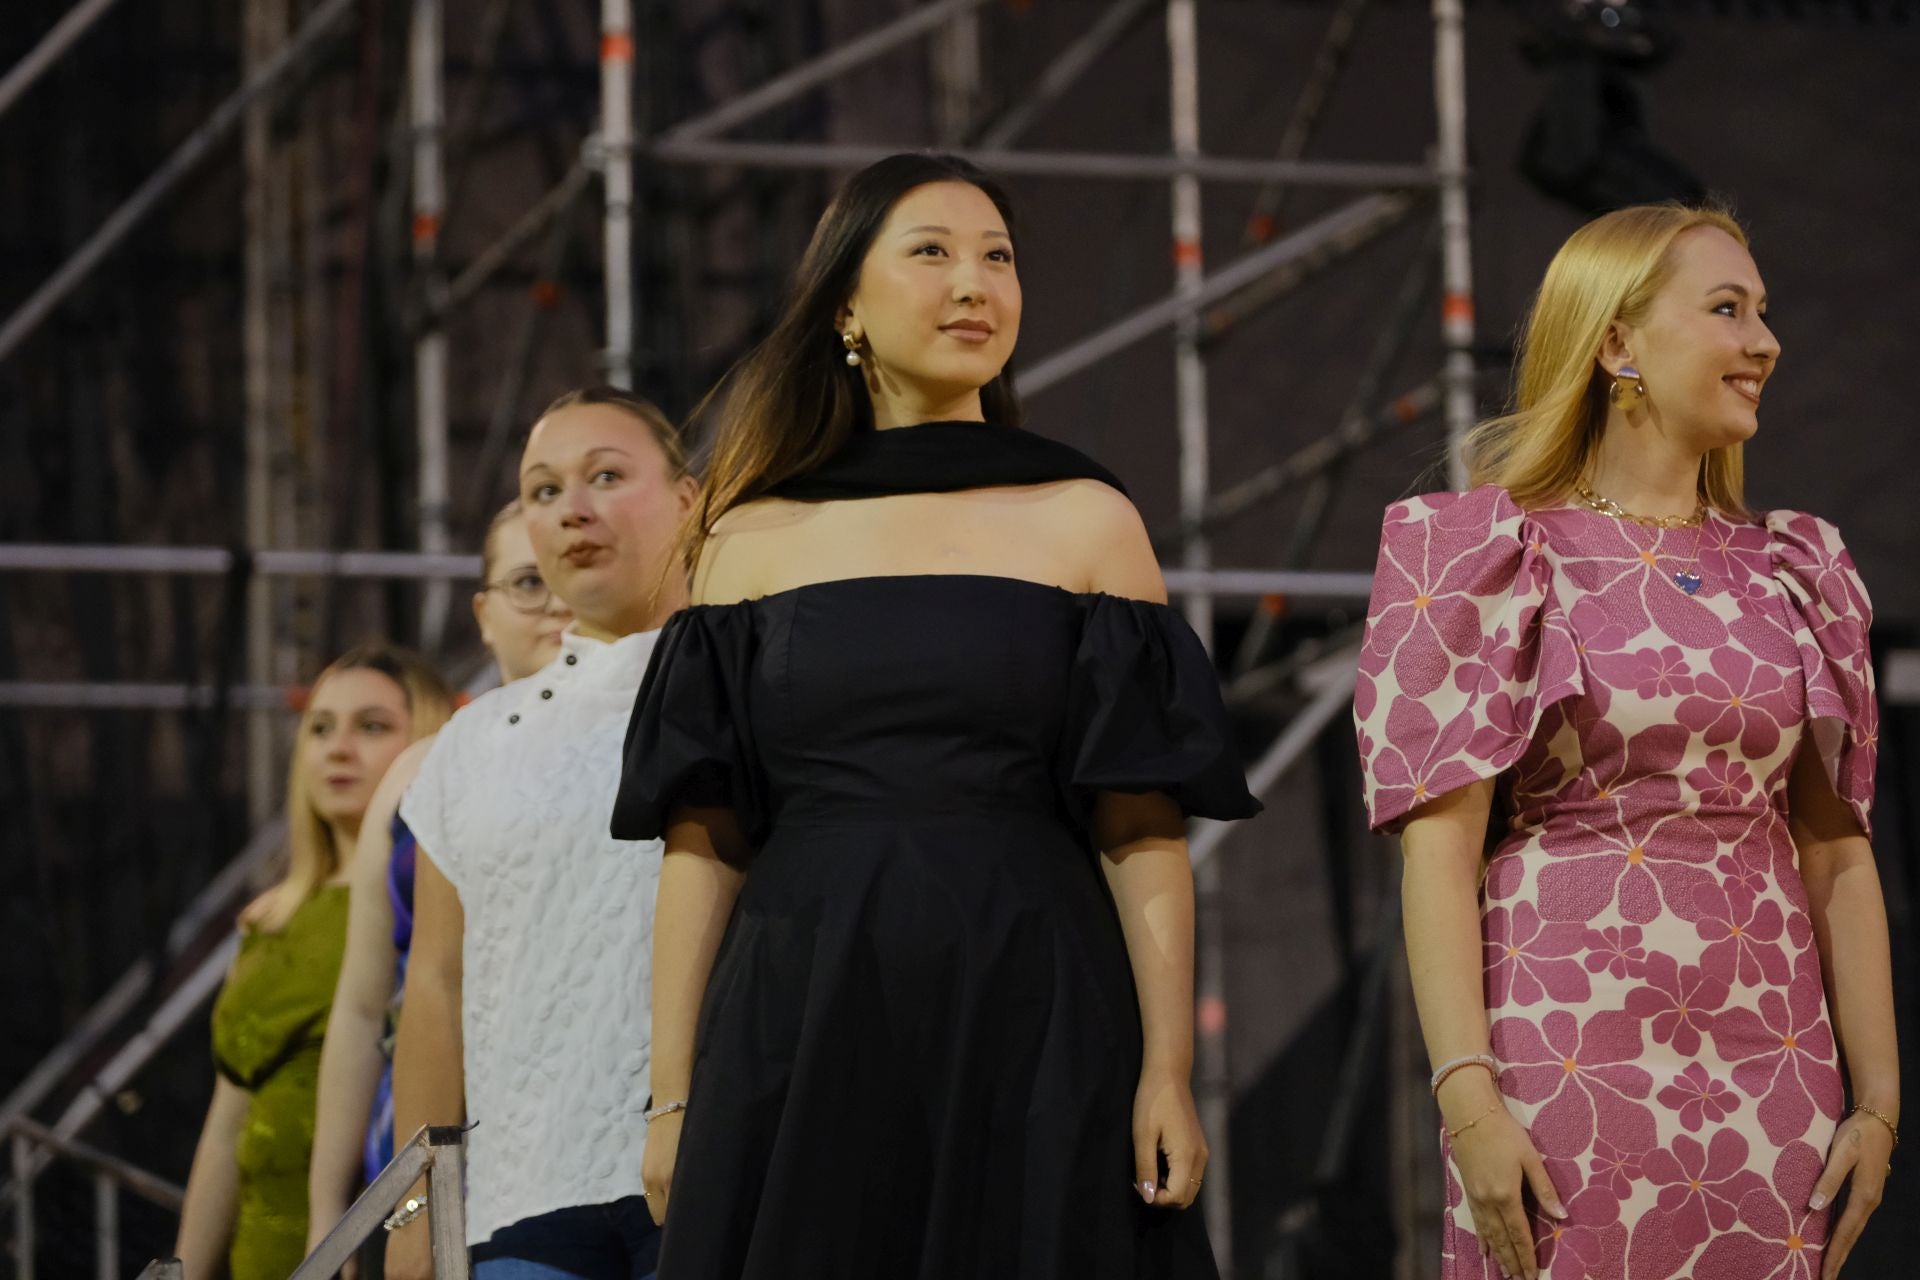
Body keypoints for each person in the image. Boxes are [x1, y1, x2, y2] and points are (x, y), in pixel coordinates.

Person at [612, 152, 1260, 1279]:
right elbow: (702, 840)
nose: (975, 283)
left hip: (1035, 996)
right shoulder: (744, 537)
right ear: (845, 305)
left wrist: (1166, 1067)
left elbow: (1141, 826)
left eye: (998, 257)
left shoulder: (1086, 517)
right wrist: (673, 1093)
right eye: (933, 251)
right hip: (806, 1004)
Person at [1354, 204, 1897, 1280]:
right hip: (1564, 1049)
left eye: (1765, 313)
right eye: (1728, 309)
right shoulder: (1494, 550)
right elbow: (1440, 848)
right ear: (1616, 343)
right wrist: (1468, 1092)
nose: (1764, 341)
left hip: (1769, 1063)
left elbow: (1836, 845)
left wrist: (1879, 1101)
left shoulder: (1793, 566)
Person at [384, 387, 696, 1280]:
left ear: (688, 498)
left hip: (719, 1176)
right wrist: (416, 1216)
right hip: (526, 1200)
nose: (575, 510)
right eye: (545, 491)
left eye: (606, 475)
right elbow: (436, 984)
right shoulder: (474, 742)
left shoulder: (753, 690)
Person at [306, 501, 573, 1267]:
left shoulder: (662, 745)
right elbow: (362, 1009)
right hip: (429, 1152)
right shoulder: (421, 774)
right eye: (527, 580)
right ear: (483, 616)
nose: (553, 598)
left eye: (562, 572)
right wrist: (335, 1213)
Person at [175, 645, 455, 1280]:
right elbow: (226, 1127)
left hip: (374, 1233)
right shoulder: (268, 918)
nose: (338, 748)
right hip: (269, 1253)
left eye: (372, 726)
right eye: (321, 727)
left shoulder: (432, 909)